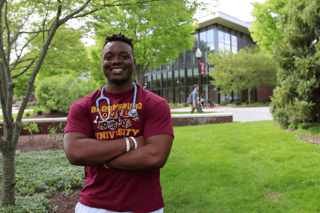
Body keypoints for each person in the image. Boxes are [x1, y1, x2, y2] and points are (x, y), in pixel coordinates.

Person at [63, 33, 174, 213]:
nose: (116, 61)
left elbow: (155, 156)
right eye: (109, 57)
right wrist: (132, 142)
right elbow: (75, 152)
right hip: (93, 206)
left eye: (124, 56)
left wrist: (100, 158)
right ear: (102, 63)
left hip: (144, 207)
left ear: (133, 62)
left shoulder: (155, 104)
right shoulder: (83, 106)